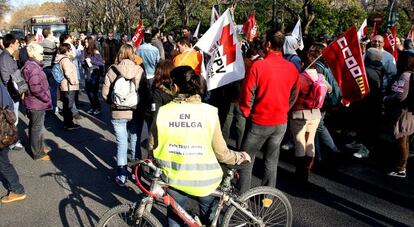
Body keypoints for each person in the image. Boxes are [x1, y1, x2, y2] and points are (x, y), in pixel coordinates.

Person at [148, 66, 250, 227]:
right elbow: (221, 152)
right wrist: (239, 156)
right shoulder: (209, 112)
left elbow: (152, 145)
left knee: (176, 219)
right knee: (210, 220)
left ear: (174, 87)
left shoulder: (164, 112)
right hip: (207, 181)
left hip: (176, 179)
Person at [238, 30, 300, 193]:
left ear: (268, 45)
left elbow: (247, 92)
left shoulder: (258, 65)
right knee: (271, 161)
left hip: (260, 121)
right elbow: (295, 94)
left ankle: (241, 200)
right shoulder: (292, 68)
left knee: (246, 160)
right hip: (280, 122)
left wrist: (246, 111)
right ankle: (267, 199)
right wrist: (285, 108)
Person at [102, 44, 145, 186]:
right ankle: (136, 172)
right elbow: (144, 92)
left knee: (121, 143)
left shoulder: (113, 70)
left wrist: (113, 104)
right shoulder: (139, 69)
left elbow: (105, 94)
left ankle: (122, 175)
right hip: (135, 111)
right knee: (134, 140)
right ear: (133, 54)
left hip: (118, 111)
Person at [290, 47, 332, 182]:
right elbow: (329, 89)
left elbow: (293, 96)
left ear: (303, 63)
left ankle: (300, 174)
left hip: (299, 114)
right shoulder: (320, 77)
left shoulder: (300, 78)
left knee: (300, 143)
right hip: (315, 114)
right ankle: (307, 171)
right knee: (310, 142)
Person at [384, 50, 414, 178]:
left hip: (402, 112)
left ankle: (400, 168)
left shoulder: (405, 76)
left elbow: (400, 96)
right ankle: (402, 166)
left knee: (401, 139)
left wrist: (386, 99)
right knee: (405, 139)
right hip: (408, 112)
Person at [22, 43, 52, 161]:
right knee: (37, 129)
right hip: (36, 103)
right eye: (41, 53)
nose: (43, 55)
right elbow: (36, 88)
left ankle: (38, 148)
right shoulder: (34, 67)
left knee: (34, 127)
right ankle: (38, 153)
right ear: (32, 53)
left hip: (32, 102)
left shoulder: (30, 65)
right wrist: (46, 98)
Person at [0, 82, 26, 203]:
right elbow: (9, 104)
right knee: (3, 161)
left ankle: (17, 189)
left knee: (3, 162)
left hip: (2, 130)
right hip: (4, 129)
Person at [0, 34, 24, 150]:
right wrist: (18, 91)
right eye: (17, 43)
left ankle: (12, 139)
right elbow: (6, 79)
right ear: (11, 44)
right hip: (10, 93)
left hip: (12, 92)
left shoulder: (8, 56)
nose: (18, 45)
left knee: (13, 118)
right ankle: (12, 141)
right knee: (12, 119)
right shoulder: (5, 57)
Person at [55, 43, 80, 130]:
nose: (71, 51)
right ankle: (69, 123)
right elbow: (68, 72)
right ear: (66, 50)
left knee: (66, 104)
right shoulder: (65, 60)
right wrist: (74, 82)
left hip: (64, 84)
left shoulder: (59, 58)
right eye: (69, 49)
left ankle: (67, 122)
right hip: (69, 85)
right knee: (68, 105)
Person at [83, 36, 104, 115]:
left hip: (95, 73)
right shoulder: (84, 51)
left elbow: (100, 63)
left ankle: (97, 107)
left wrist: (91, 61)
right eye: (85, 42)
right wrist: (84, 62)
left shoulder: (96, 51)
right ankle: (93, 106)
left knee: (94, 92)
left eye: (87, 42)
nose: (85, 44)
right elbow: (82, 62)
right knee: (88, 91)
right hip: (87, 72)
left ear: (90, 42)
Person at [41, 28, 58, 113]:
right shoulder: (52, 44)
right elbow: (56, 55)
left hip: (43, 67)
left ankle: (45, 105)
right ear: (49, 34)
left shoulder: (40, 44)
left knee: (45, 88)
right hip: (51, 67)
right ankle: (53, 106)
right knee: (53, 88)